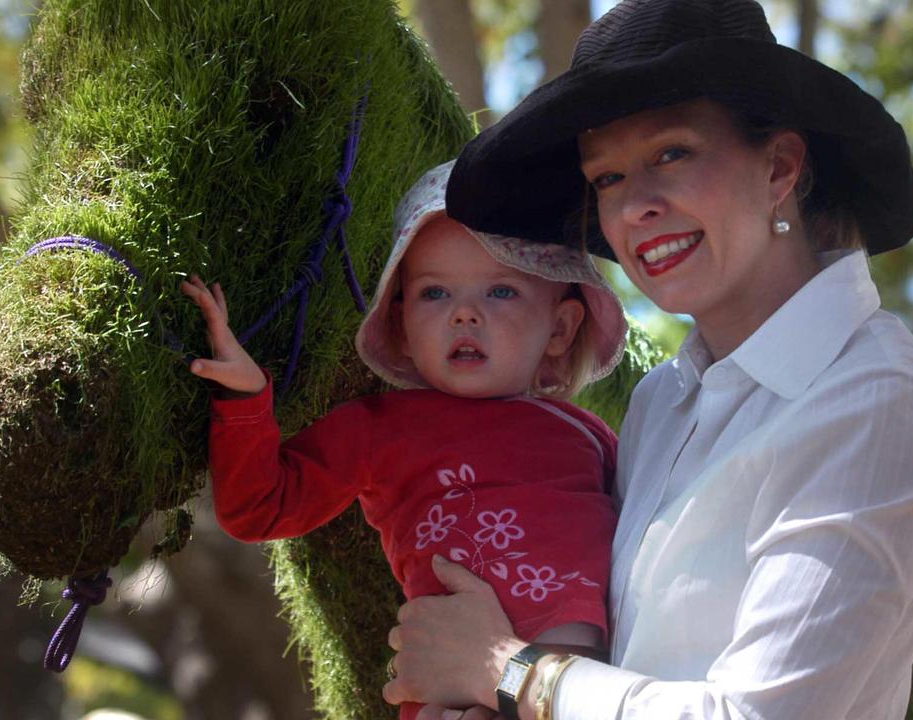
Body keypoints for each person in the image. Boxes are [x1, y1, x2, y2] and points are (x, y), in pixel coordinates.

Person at [382, 1, 913, 719]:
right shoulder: (661, 402)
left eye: (671, 154)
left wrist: (506, 670)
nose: (635, 207)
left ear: (780, 169)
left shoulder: (875, 399)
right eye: (606, 180)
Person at [181, 160, 629, 720]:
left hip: (585, 691)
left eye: (502, 291)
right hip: (451, 698)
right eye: (435, 293)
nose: (465, 314)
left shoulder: (591, 438)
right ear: (401, 323)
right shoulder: (380, 428)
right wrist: (246, 399)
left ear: (561, 328)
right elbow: (258, 508)